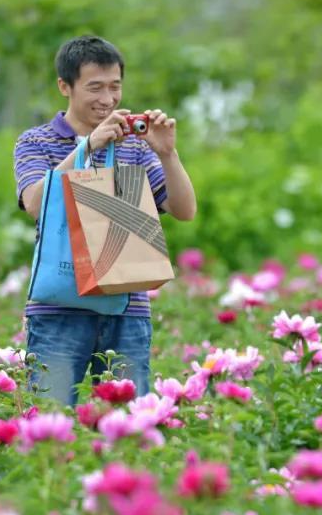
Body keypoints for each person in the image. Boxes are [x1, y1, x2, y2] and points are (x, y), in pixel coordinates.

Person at [13, 35, 197, 405]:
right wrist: (89, 147)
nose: (108, 99)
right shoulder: (36, 141)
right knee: (49, 419)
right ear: (64, 86)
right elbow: (36, 202)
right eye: (94, 87)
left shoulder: (133, 144)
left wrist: (167, 154)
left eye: (115, 87)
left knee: (129, 424)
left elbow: (184, 210)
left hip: (127, 306)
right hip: (58, 307)